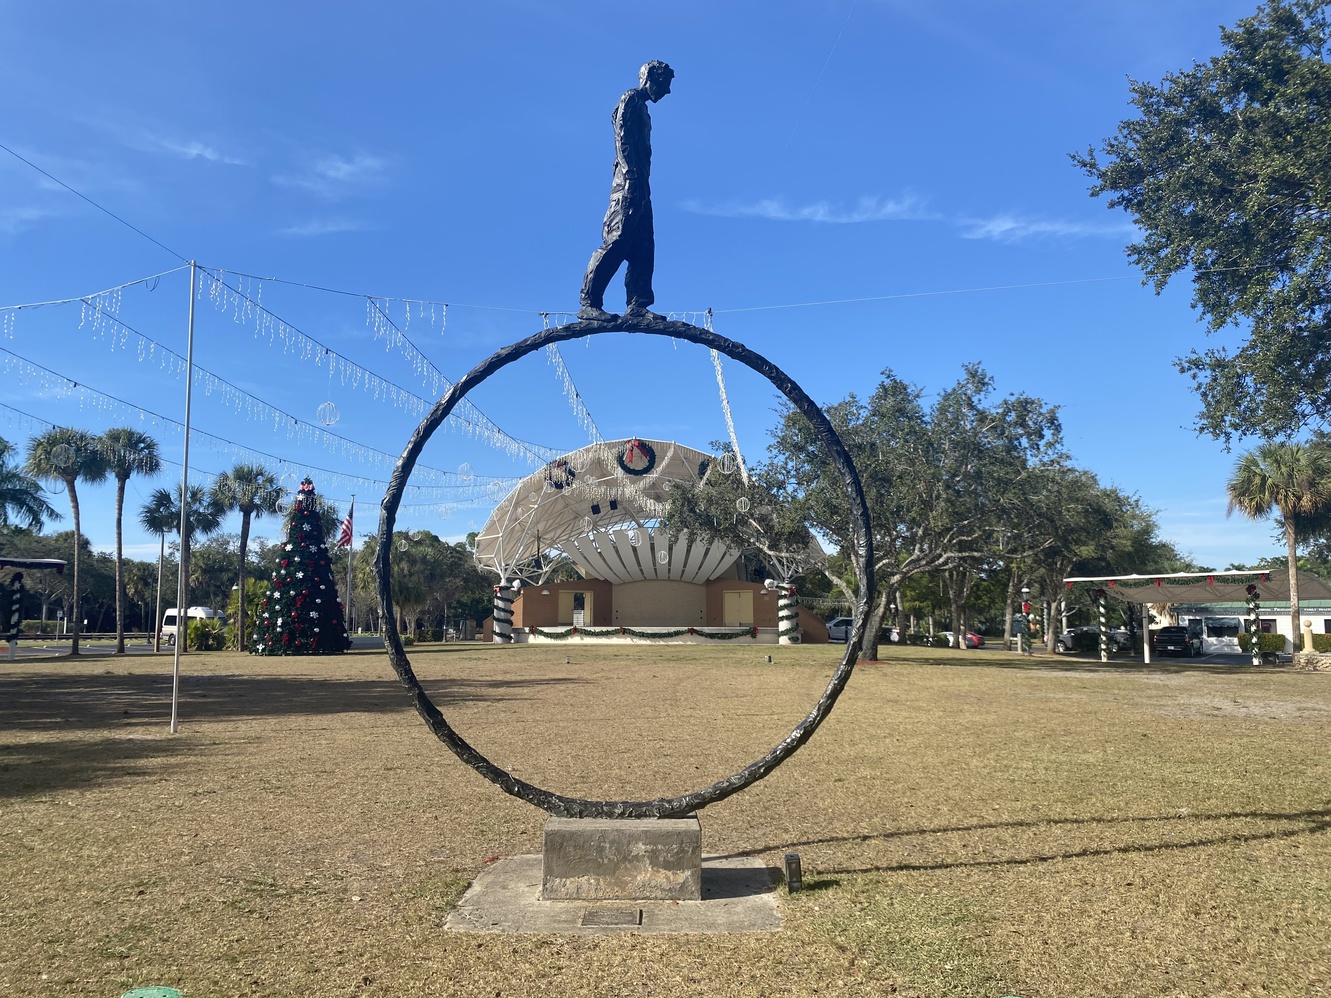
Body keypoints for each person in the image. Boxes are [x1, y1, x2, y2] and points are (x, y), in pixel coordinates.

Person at [578, 60, 674, 322]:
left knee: (644, 245)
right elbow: (621, 137)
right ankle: (589, 301)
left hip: (641, 186)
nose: (667, 91)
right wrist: (630, 174)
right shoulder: (630, 99)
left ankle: (638, 304)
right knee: (618, 240)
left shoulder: (644, 111)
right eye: (665, 84)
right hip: (627, 185)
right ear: (651, 78)